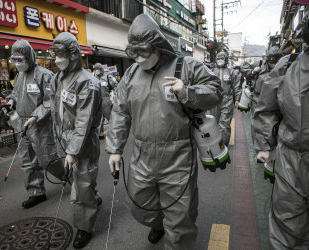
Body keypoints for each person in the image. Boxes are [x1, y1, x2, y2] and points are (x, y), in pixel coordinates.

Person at [106, 14, 222, 249]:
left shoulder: (186, 66)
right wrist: (114, 149)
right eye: (133, 51)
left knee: (180, 218)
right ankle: (159, 223)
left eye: (143, 50)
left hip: (177, 156)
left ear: (157, 45)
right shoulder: (131, 74)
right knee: (140, 205)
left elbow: (216, 91)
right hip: (141, 155)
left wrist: (187, 91)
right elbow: (120, 110)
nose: (138, 57)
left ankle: (175, 234)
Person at [253, 1, 309, 249]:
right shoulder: (289, 67)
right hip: (290, 163)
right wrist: (264, 144)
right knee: (288, 232)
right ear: (307, 29)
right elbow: (266, 108)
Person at [49, 32, 102, 249]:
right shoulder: (57, 78)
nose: (56, 58)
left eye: (60, 53)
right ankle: (93, 198)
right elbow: (54, 109)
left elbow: (84, 120)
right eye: (54, 53)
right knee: (83, 180)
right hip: (65, 137)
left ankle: (84, 227)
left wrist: (72, 150)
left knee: (81, 184)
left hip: (83, 141)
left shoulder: (88, 82)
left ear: (73, 53)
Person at [7, 40, 64, 209]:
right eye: (14, 60)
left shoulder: (44, 75)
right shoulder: (19, 77)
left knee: (47, 159)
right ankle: (36, 192)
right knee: (27, 160)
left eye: (20, 59)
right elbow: (15, 94)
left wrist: (35, 117)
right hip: (22, 123)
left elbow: (49, 101)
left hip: (40, 124)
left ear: (29, 57)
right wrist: (11, 101)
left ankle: (71, 177)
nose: (17, 63)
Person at [209, 51, 241, 146]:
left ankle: (223, 145)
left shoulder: (232, 72)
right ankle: (213, 145)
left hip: (227, 100)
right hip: (213, 100)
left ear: (226, 60)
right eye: (218, 59)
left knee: (224, 124)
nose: (220, 61)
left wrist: (237, 99)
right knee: (213, 123)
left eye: (222, 59)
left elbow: (237, 86)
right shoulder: (211, 72)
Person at [93, 63, 118, 138]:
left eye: (97, 68)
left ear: (101, 69)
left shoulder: (107, 77)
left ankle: (114, 132)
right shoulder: (93, 78)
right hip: (97, 100)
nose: (96, 70)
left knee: (110, 117)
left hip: (106, 100)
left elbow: (116, 85)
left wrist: (114, 95)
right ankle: (100, 134)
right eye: (95, 69)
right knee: (99, 118)